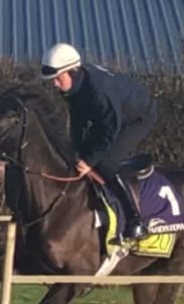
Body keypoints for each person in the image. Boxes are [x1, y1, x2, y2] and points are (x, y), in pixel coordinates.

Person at [40, 42, 158, 241]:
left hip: (137, 118)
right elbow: (78, 122)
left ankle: (135, 220)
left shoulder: (98, 90)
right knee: (80, 156)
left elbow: (110, 129)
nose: (55, 84)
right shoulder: (74, 88)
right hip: (111, 118)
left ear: (72, 72)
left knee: (106, 163)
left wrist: (89, 161)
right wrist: (76, 151)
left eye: (58, 79)